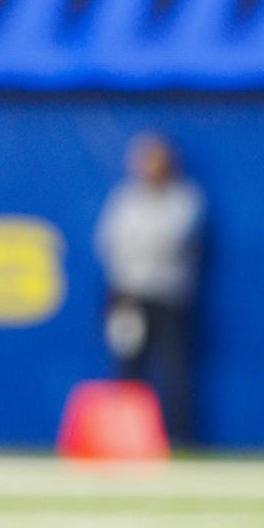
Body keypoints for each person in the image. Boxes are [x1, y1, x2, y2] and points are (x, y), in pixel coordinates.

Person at [94, 132, 205, 445]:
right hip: (128, 296)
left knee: (174, 369)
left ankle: (179, 437)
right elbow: (109, 242)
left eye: (155, 159)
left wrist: (141, 246)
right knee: (128, 368)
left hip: (168, 297)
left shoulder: (184, 198)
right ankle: (124, 440)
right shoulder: (126, 198)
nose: (148, 166)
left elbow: (171, 240)